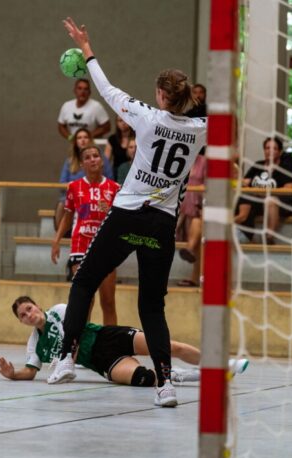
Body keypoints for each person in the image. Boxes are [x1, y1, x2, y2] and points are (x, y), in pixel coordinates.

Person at [50, 18, 206, 408]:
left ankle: (66, 357)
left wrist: (87, 48)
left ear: (159, 94)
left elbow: (106, 89)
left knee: (84, 280)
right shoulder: (201, 129)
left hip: (127, 215)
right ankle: (166, 386)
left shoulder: (147, 118)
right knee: (152, 305)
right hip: (161, 224)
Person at [0, 296, 249, 386]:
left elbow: (79, 322)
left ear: (37, 305)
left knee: (169, 347)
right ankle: (201, 375)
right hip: (101, 361)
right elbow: (31, 371)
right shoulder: (34, 345)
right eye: (23, 315)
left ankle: (223, 362)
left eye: (29, 308)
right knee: (146, 378)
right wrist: (13, 374)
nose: (29, 315)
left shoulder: (60, 311)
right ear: (22, 322)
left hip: (108, 336)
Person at [51, 144, 120, 325]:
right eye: (88, 157)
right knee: (85, 301)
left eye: (96, 156)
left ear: (102, 161)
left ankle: (111, 346)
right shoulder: (74, 187)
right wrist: (56, 240)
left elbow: (122, 221)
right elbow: (67, 216)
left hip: (106, 249)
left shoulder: (115, 188)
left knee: (108, 301)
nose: (92, 160)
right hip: (81, 248)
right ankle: (80, 346)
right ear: (82, 164)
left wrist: (111, 211)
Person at [235, 137, 292, 244]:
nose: (270, 151)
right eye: (267, 148)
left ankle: (269, 237)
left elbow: (289, 188)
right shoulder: (258, 165)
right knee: (244, 199)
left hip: (280, 203)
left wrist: (264, 193)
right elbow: (244, 182)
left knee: (270, 200)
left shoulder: (286, 167)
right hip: (257, 201)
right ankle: (242, 234)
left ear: (280, 151)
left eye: (274, 148)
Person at [55, 128, 114, 232]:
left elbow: (110, 180)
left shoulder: (101, 158)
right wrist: (76, 188)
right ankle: (62, 234)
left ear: (90, 140)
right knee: (61, 204)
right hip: (75, 195)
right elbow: (62, 184)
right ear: (75, 141)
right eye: (79, 138)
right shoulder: (70, 161)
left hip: (97, 194)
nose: (82, 140)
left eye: (85, 137)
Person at [177, 151, 207, 287]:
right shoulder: (180, 160)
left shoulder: (205, 161)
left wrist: (190, 188)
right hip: (179, 207)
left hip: (199, 208)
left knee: (196, 226)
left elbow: (210, 186)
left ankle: (194, 276)